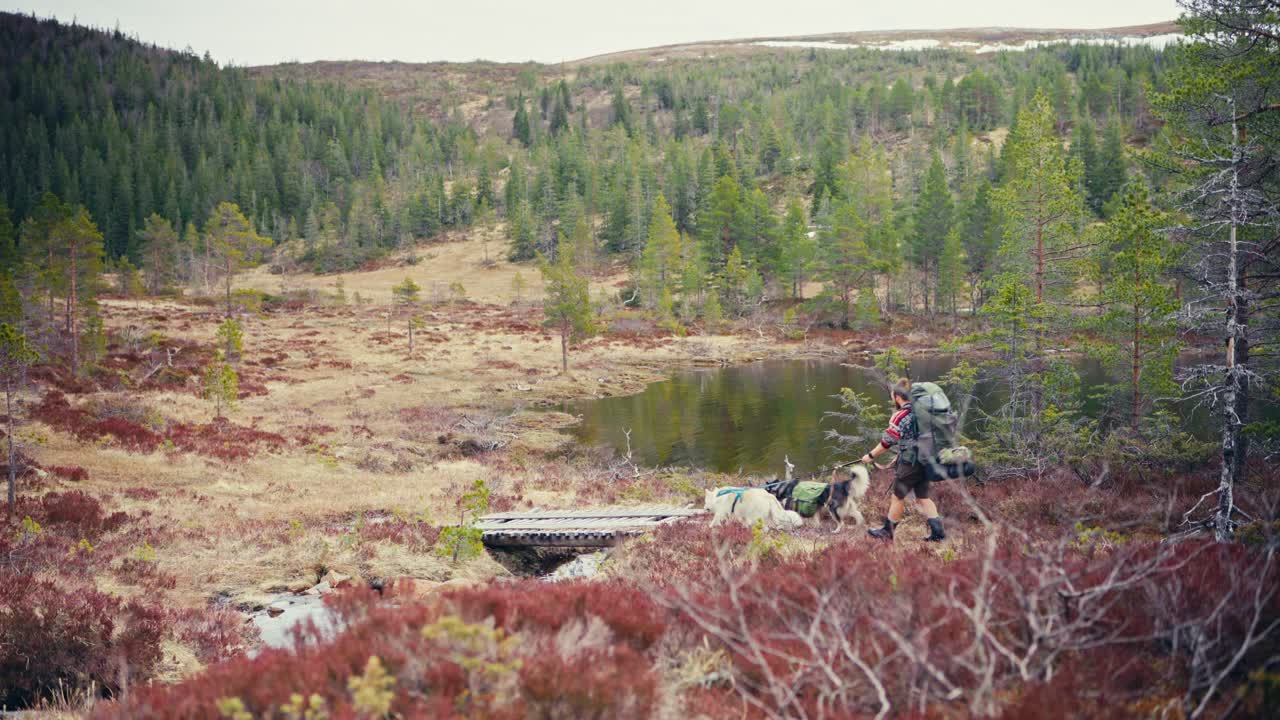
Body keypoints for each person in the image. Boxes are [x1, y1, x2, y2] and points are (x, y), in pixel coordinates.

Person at [859, 378, 946, 542]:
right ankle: (938, 533)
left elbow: (886, 442)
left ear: (897, 397)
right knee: (922, 497)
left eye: (893, 396)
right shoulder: (924, 411)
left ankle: (887, 532)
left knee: (898, 497)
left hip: (910, 464)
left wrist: (869, 457)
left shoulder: (900, 416)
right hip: (926, 460)